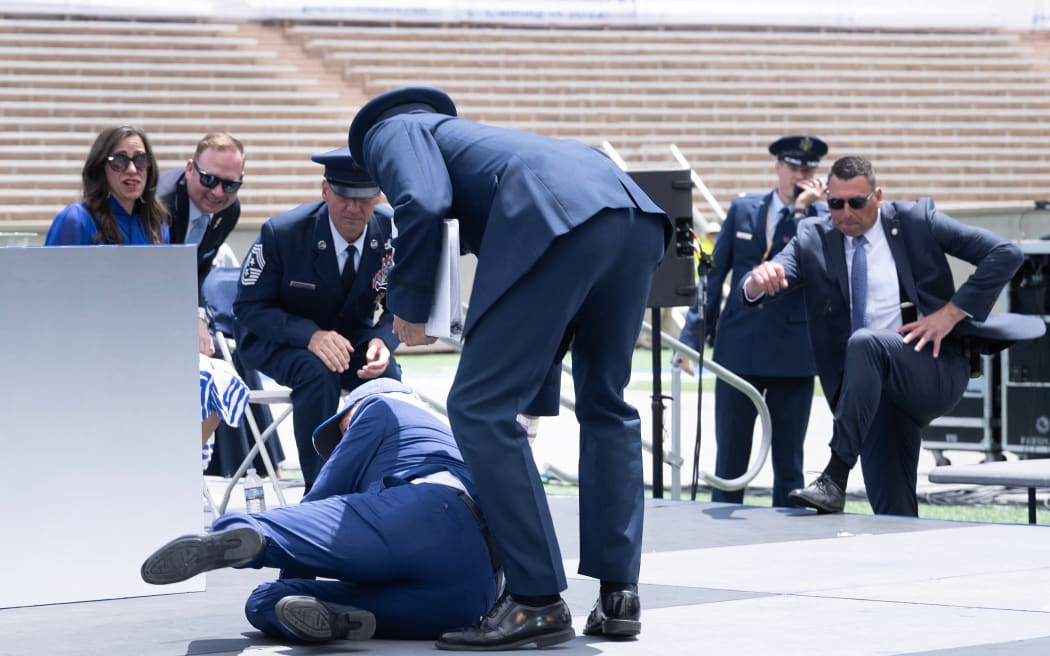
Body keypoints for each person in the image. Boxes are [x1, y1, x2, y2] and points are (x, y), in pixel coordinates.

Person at [348, 86, 672, 650]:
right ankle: (620, 595)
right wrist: (533, 394)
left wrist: (408, 306)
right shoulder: (479, 143)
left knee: (476, 407)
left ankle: (536, 598)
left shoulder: (392, 132)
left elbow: (419, 203)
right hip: (634, 213)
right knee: (606, 402)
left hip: (557, 218)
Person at [744, 155, 1037, 516]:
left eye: (857, 202)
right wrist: (758, 281)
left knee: (867, 342)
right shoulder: (813, 237)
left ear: (878, 196)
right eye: (835, 204)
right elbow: (771, 273)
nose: (845, 212)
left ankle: (834, 475)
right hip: (869, 393)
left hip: (932, 368)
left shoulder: (915, 220)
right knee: (892, 510)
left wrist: (949, 314)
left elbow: (1004, 253)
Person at [141, 379, 500, 645]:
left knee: (258, 535)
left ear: (361, 405)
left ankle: (248, 532)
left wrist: (291, 553)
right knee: (265, 602)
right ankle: (338, 621)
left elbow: (324, 494)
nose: (344, 438)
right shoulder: (457, 441)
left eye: (343, 426)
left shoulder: (383, 408)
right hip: (469, 596)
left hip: (420, 515)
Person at [234, 147, 401, 491]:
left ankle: (384, 482)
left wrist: (383, 339)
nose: (353, 208)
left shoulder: (392, 233)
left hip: (348, 335)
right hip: (279, 338)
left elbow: (402, 303)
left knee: (387, 374)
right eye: (343, 195)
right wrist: (310, 336)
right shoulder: (282, 233)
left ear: (378, 195)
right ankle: (322, 490)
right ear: (325, 190)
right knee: (317, 373)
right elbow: (249, 308)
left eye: (364, 197)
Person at [678, 135, 828, 507]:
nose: (800, 176)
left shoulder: (823, 220)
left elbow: (791, 265)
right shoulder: (744, 209)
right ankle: (720, 539)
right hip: (738, 351)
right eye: (794, 168)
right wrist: (692, 335)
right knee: (730, 457)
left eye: (808, 170)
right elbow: (714, 277)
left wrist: (802, 211)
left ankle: (784, 540)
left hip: (793, 355)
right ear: (778, 167)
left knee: (789, 462)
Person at [157, 132, 246, 358]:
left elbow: (199, 269)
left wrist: (198, 315)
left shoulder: (229, 210)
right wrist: (193, 318)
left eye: (230, 185)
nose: (217, 192)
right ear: (189, 169)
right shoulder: (160, 204)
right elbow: (158, 274)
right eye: (209, 179)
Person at [44, 125, 168, 246]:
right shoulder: (76, 220)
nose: (132, 169)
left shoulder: (156, 225)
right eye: (119, 160)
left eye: (141, 159)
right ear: (100, 167)